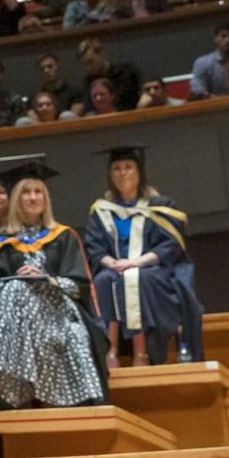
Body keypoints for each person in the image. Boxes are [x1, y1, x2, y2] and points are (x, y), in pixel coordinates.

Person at [0, 161, 108, 409]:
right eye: (26, 192)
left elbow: (79, 287)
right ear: (16, 200)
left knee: (19, 287)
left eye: (38, 191)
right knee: (16, 287)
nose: (33, 197)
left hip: (61, 310)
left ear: (46, 198)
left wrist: (45, 280)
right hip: (13, 316)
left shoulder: (63, 236)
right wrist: (23, 283)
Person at [84, 147, 201, 366]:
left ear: (139, 173)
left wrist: (136, 262)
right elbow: (94, 247)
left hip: (152, 269)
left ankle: (142, 353)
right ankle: (110, 352)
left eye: (128, 167)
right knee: (102, 281)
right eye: (117, 168)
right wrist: (113, 263)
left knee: (139, 279)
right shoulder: (102, 209)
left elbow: (171, 245)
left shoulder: (160, 206)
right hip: (115, 269)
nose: (123, 173)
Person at [188, 23, 229, 100]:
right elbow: (198, 92)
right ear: (215, 38)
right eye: (223, 36)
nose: (227, 40)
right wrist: (225, 100)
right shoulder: (202, 63)